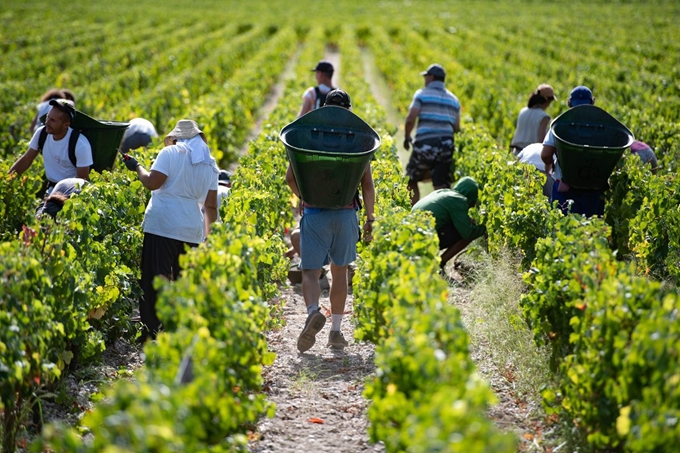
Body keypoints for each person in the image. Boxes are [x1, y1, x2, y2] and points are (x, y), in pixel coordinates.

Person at [285, 89, 375, 352]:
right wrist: (370, 218)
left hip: (315, 214)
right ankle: (335, 331)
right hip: (346, 214)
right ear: (348, 111)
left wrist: (307, 196)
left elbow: (291, 178)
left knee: (310, 271)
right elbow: (367, 185)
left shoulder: (308, 138)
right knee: (340, 272)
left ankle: (313, 310)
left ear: (324, 108)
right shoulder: (357, 139)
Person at [123, 119, 219, 342]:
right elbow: (211, 205)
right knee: (184, 281)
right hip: (192, 229)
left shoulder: (170, 153)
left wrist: (136, 166)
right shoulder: (209, 163)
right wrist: (210, 237)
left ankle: (152, 332)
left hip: (163, 224)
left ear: (176, 138)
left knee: (154, 279)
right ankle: (182, 330)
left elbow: (152, 182)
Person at [541, 86, 605, 217]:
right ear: (592, 102)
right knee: (592, 231)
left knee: (563, 230)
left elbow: (546, 154)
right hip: (594, 188)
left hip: (565, 189)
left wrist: (550, 165)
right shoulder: (603, 125)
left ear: (570, 104)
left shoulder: (560, 123)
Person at [403, 63, 461, 205]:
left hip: (425, 144)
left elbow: (411, 119)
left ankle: (413, 211)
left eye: (426, 76)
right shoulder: (454, 100)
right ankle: (443, 217)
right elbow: (457, 127)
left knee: (411, 179)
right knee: (441, 184)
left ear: (432, 77)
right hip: (446, 146)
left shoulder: (422, 94)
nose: (425, 79)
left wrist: (407, 136)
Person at [10, 99, 93, 192]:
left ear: (66, 125)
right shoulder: (41, 133)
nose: (47, 122)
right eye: (47, 117)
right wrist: (7, 179)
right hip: (51, 189)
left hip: (71, 191)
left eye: (52, 120)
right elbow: (27, 159)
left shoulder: (80, 144)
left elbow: (82, 181)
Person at [412, 176, 486, 271]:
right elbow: (468, 233)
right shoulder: (459, 200)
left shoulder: (445, 193)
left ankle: (430, 259)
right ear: (471, 196)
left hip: (413, 232)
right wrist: (484, 228)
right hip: (423, 238)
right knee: (467, 233)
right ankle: (439, 263)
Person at [510, 84, 556, 154]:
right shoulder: (544, 117)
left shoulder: (523, 111)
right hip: (529, 154)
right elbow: (541, 142)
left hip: (515, 152)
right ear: (547, 100)